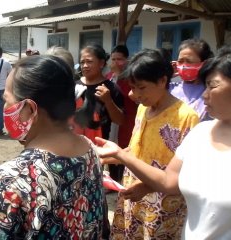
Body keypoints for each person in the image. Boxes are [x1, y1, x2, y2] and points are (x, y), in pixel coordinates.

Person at [0, 55, 108, 239]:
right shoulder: (88, 150)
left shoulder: (12, 178)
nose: (5, 106)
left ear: (29, 109)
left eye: (7, 99)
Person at [95, 47, 231, 239]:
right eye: (132, 87)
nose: (135, 94)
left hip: (161, 206)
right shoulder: (143, 109)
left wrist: (144, 184)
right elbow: (136, 149)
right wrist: (109, 156)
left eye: (141, 87)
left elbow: (179, 175)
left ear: (162, 81)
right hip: (132, 197)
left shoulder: (186, 117)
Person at [71, 43, 124, 144]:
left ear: (101, 63)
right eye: (82, 62)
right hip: (74, 145)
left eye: (89, 61)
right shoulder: (74, 86)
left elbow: (120, 121)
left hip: (99, 147)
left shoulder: (111, 89)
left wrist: (108, 101)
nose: (85, 66)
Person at [107, 45, 138, 183]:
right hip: (111, 117)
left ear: (127, 60)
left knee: (124, 146)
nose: (116, 62)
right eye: (113, 59)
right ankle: (113, 179)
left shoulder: (130, 78)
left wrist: (119, 77)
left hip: (128, 118)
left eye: (120, 59)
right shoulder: (108, 76)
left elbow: (131, 96)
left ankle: (123, 178)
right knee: (111, 143)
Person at [170, 38, 214, 121]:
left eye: (189, 61)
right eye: (180, 61)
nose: (183, 66)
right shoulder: (169, 88)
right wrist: (166, 76)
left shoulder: (210, 92)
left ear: (204, 64)